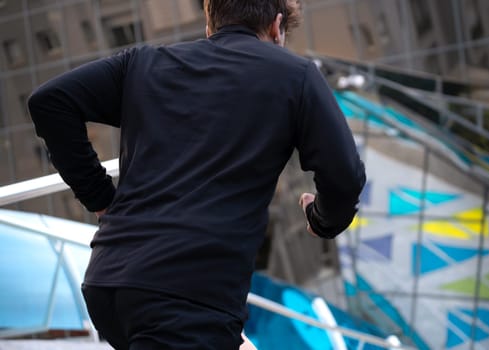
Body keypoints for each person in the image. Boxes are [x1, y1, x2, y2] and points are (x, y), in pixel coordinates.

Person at [28, 0, 366, 349]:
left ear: (210, 23)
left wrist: (101, 198)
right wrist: (322, 219)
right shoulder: (295, 75)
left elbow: (51, 101)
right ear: (278, 27)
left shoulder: (144, 63)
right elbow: (345, 177)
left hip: (110, 282)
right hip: (187, 296)